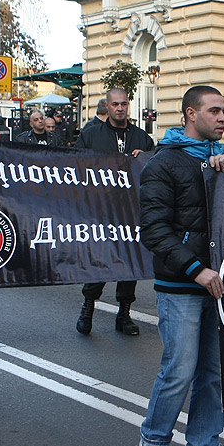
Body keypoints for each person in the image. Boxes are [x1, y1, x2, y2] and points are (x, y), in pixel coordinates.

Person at [137, 84, 224, 446]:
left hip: (219, 283)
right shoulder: (163, 164)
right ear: (190, 115)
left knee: (212, 373)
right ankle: (152, 441)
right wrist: (196, 268)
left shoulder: (223, 160)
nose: (222, 118)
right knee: (179, 369)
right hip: (183, 283)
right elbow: (154, 231)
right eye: (214, 111)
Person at [74, 88, 155, 337]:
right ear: (107, 107)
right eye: (115, 104)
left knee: (129, 260)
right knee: (101, 259)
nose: (120, 108)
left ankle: (124, 314)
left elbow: (153, 169)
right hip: (101, 210)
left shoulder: (142, 138)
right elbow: (75, 169)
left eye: (124, 104)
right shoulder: (90, 136)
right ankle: (88, 307)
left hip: (131, 210)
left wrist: (146, 157)